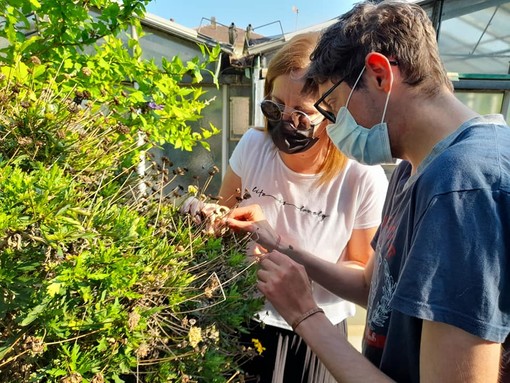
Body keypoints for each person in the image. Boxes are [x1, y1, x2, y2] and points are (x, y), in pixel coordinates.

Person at [227, 1, 510, 382]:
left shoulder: (464, 188)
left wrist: (304, 314)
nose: (334, 125)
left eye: (334, 106)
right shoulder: (413, 168)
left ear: (379, 75)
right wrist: (281, 248)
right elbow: (370, 288)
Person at [183, 31, 388, 382]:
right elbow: (226, 215)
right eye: (275, 107)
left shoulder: (361, 177)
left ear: (332, 112)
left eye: (302, 114)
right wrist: (209, 217)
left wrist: (286, 255)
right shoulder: (253, 146)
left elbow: (363, 275)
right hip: (242, 314)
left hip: (315, 331)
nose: (285, 121)